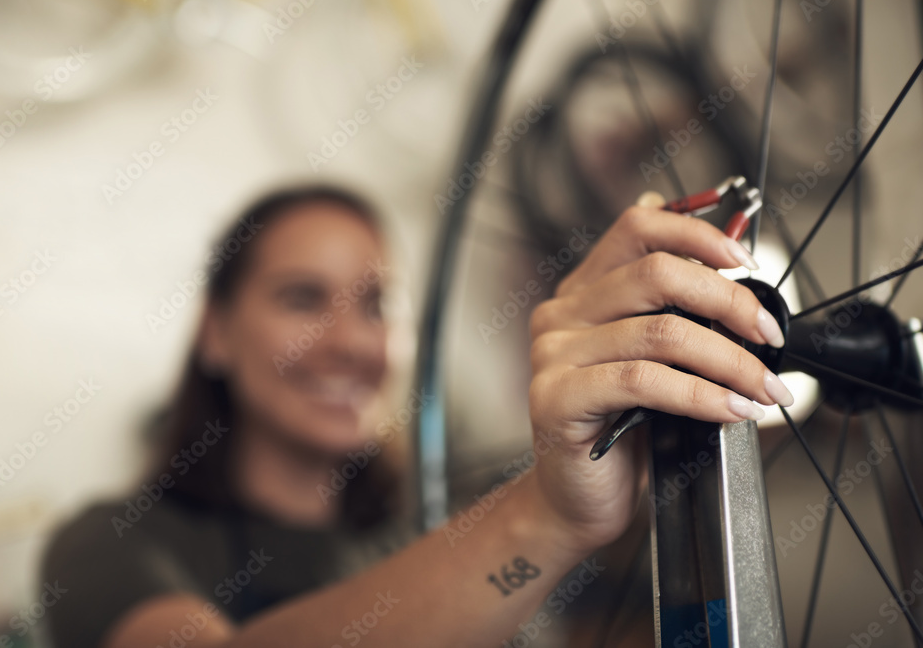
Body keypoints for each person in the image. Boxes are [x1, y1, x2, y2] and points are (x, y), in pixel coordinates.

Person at [42, 186, 791, 648]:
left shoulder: (456, 522)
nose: (349, 342)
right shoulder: (107, 545)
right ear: (215, 331)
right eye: (302, 297)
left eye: (377, 305)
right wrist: (548, 515)